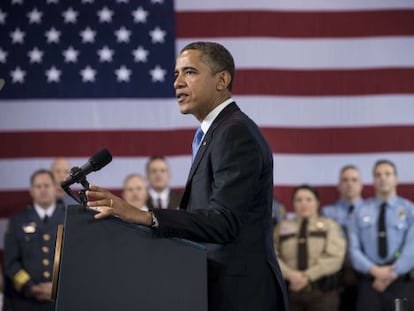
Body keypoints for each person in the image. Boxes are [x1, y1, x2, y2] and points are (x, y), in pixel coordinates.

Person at [86, 41, 289, 311]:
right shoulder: (215, 133)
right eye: (175, 74)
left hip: (242, 296)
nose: (177, 82)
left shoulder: (234, 133)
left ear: (222, 80)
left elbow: (224, 222)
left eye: (189, 72)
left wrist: (145, 215)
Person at [348, 159, 414, 311]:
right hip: (370, 283)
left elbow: (412, 246)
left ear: (396, 179)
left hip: (400, 283)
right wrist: (375, 271)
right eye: (378, 175)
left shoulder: (410, 210)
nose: (383, 178)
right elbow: (354, 249)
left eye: (387, 174)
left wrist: (392, 273)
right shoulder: (359, 211)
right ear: (373, 180)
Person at [274, 184, 345, 311]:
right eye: (299, 200)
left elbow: (335, 258)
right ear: (293, 203)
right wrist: (289, 274)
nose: (303, 203)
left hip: (322, 294)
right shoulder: (281, 227)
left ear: (317, 202)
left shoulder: (330, 226)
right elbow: (272, 255)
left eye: (308, 199)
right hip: (290, 293)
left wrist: (307, 276)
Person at [3, 169, 66, 311]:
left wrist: (58, 288)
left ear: (56, 189)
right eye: (38, 186)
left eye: (47, 185)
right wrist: (30, 287)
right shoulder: (16, 221)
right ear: (31, 191)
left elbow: (78, 260)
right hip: (26, 301)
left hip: (62, 301)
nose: (43, 190)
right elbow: (11, 263)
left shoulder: (69, 219)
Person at [321, 165, 364, 311]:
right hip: (335, 279)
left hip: (365, 277)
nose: (349, 183)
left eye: (354, 180)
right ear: (338, 185)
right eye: (345, 180)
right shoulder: (326, 213)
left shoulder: (371, 211)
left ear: (361, 185)